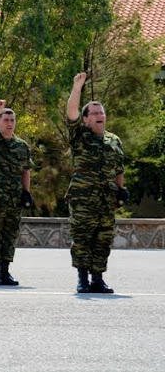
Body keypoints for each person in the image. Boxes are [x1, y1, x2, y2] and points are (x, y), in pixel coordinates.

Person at [66, 72, 126, 294]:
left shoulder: (114, 140)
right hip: (83, 198)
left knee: (103, 238)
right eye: (95, 112)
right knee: (82, 237)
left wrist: (121, 190)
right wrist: (77, 87)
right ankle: (82, 278)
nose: (100, 115)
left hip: (106, 198)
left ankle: (98, 278)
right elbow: (71, 112)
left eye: (102, 112)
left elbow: (118, 168)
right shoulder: (80, 136)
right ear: (86, 119)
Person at [0, 100, 33, 286]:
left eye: (12, 120)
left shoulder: (22, 146)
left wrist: (26, 192)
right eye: (6, 120)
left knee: (10, 235)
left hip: (14, 198)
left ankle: (5, 271)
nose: (10, 123)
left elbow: (26, 170)